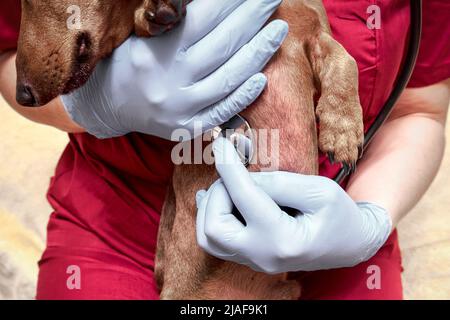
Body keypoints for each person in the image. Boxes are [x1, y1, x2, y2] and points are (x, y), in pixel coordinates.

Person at [0, 0, 448, 299]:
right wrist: (101, 103)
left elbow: (419, 111)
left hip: (338, 233)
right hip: (119, 226)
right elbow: (16, 66)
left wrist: (368, 220)